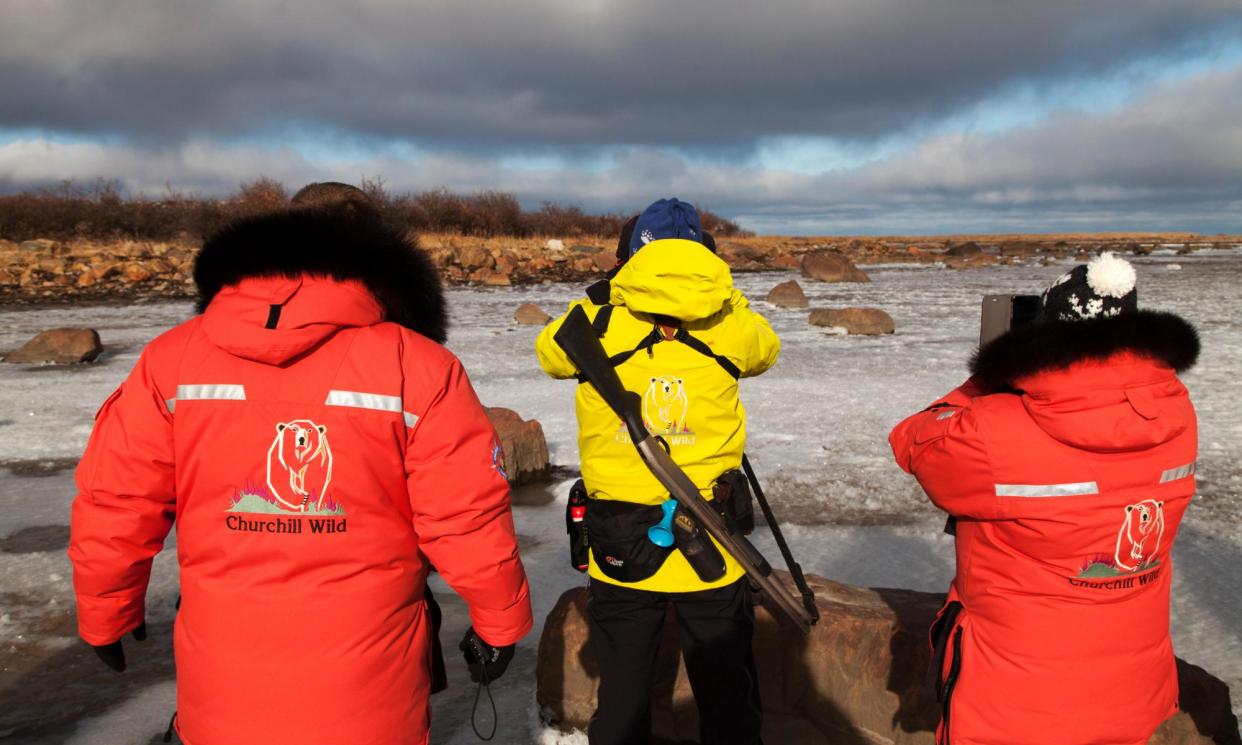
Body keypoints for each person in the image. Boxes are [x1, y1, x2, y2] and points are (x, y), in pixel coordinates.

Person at [68, 184, 534, 745]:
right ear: (379, 252)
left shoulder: (172, 359)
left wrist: (105, 610)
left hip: (222, 688)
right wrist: (499, 621)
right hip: (372, 695)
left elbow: (117, 499)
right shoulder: (420, 366)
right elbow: (467, 515)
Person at [889, 253, 1199, 745]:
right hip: (1134, 692)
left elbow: (914, 443)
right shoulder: (1174, 410)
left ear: (1046, 333)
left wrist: (988, 380)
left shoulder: (996, 428)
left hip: (1014, 704)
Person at [536, 198, 780, 745]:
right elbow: (766, 350)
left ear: (628, 257)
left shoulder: (596, 320)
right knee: (728, 702)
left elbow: (548, 354)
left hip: (620, 538)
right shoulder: (728, 323)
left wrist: (610, 292)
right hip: (713, 539)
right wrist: (726, 295)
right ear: (704, 254)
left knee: (620, 700)